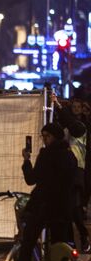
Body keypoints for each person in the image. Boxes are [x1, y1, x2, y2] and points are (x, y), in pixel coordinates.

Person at [16, 122, 77, 261]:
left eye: (47, 136)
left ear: (55, 137)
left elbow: (31, 179)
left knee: (27, 243)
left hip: (44, 206)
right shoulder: (70, 155)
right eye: (43, 137)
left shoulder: (47, 154)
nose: (44, 140)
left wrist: (26, 161)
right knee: (59, 246)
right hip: (63, 208)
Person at [53, 94, 90, 252]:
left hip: (77, 170)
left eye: (78, 107)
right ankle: (71, 241)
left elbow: (71, 125)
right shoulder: (66, 125)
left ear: (82, 110)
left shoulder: (81, 127)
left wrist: (58, 105)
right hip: (64, 169)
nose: (75, 110)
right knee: (66, 208)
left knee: (74, 208)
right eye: (73, 107)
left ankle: (83, 236)